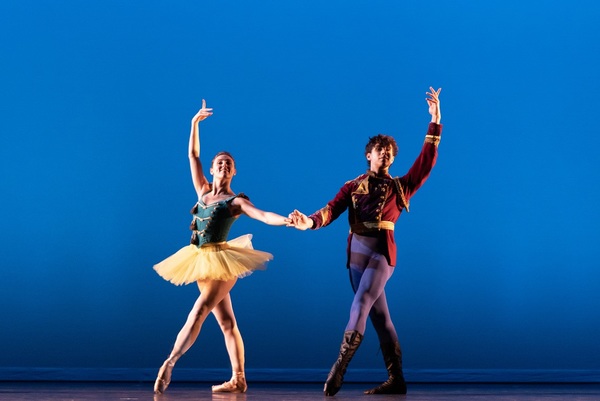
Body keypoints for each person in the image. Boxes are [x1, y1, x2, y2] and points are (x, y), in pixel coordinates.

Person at [290, 87, 443, 396]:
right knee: (380, 317)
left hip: (382, 255)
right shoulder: (352, 186)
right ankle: (396, 379)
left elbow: (425, 162)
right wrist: (307, 222)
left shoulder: (402, 186)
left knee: (360, 304)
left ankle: (339, 368)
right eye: (379, 149)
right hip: (356, 256)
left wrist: (435, 120)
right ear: (368, 155)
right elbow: (330, 210)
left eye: (390, 150)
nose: (385, 152)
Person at [153, 99, 292, 395]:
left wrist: (286, 221)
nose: (223, 166)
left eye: (229, 164)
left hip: (223, 261)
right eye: (220, 163)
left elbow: (263, 215)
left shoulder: (235, 202)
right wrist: (194, 124)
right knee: (227, 323)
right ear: (214, 171)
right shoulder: (203, 191)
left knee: (200, 310)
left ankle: (170, 362)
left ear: (233, 173)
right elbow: (192, 155)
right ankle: (238, 377)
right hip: (198, 259)